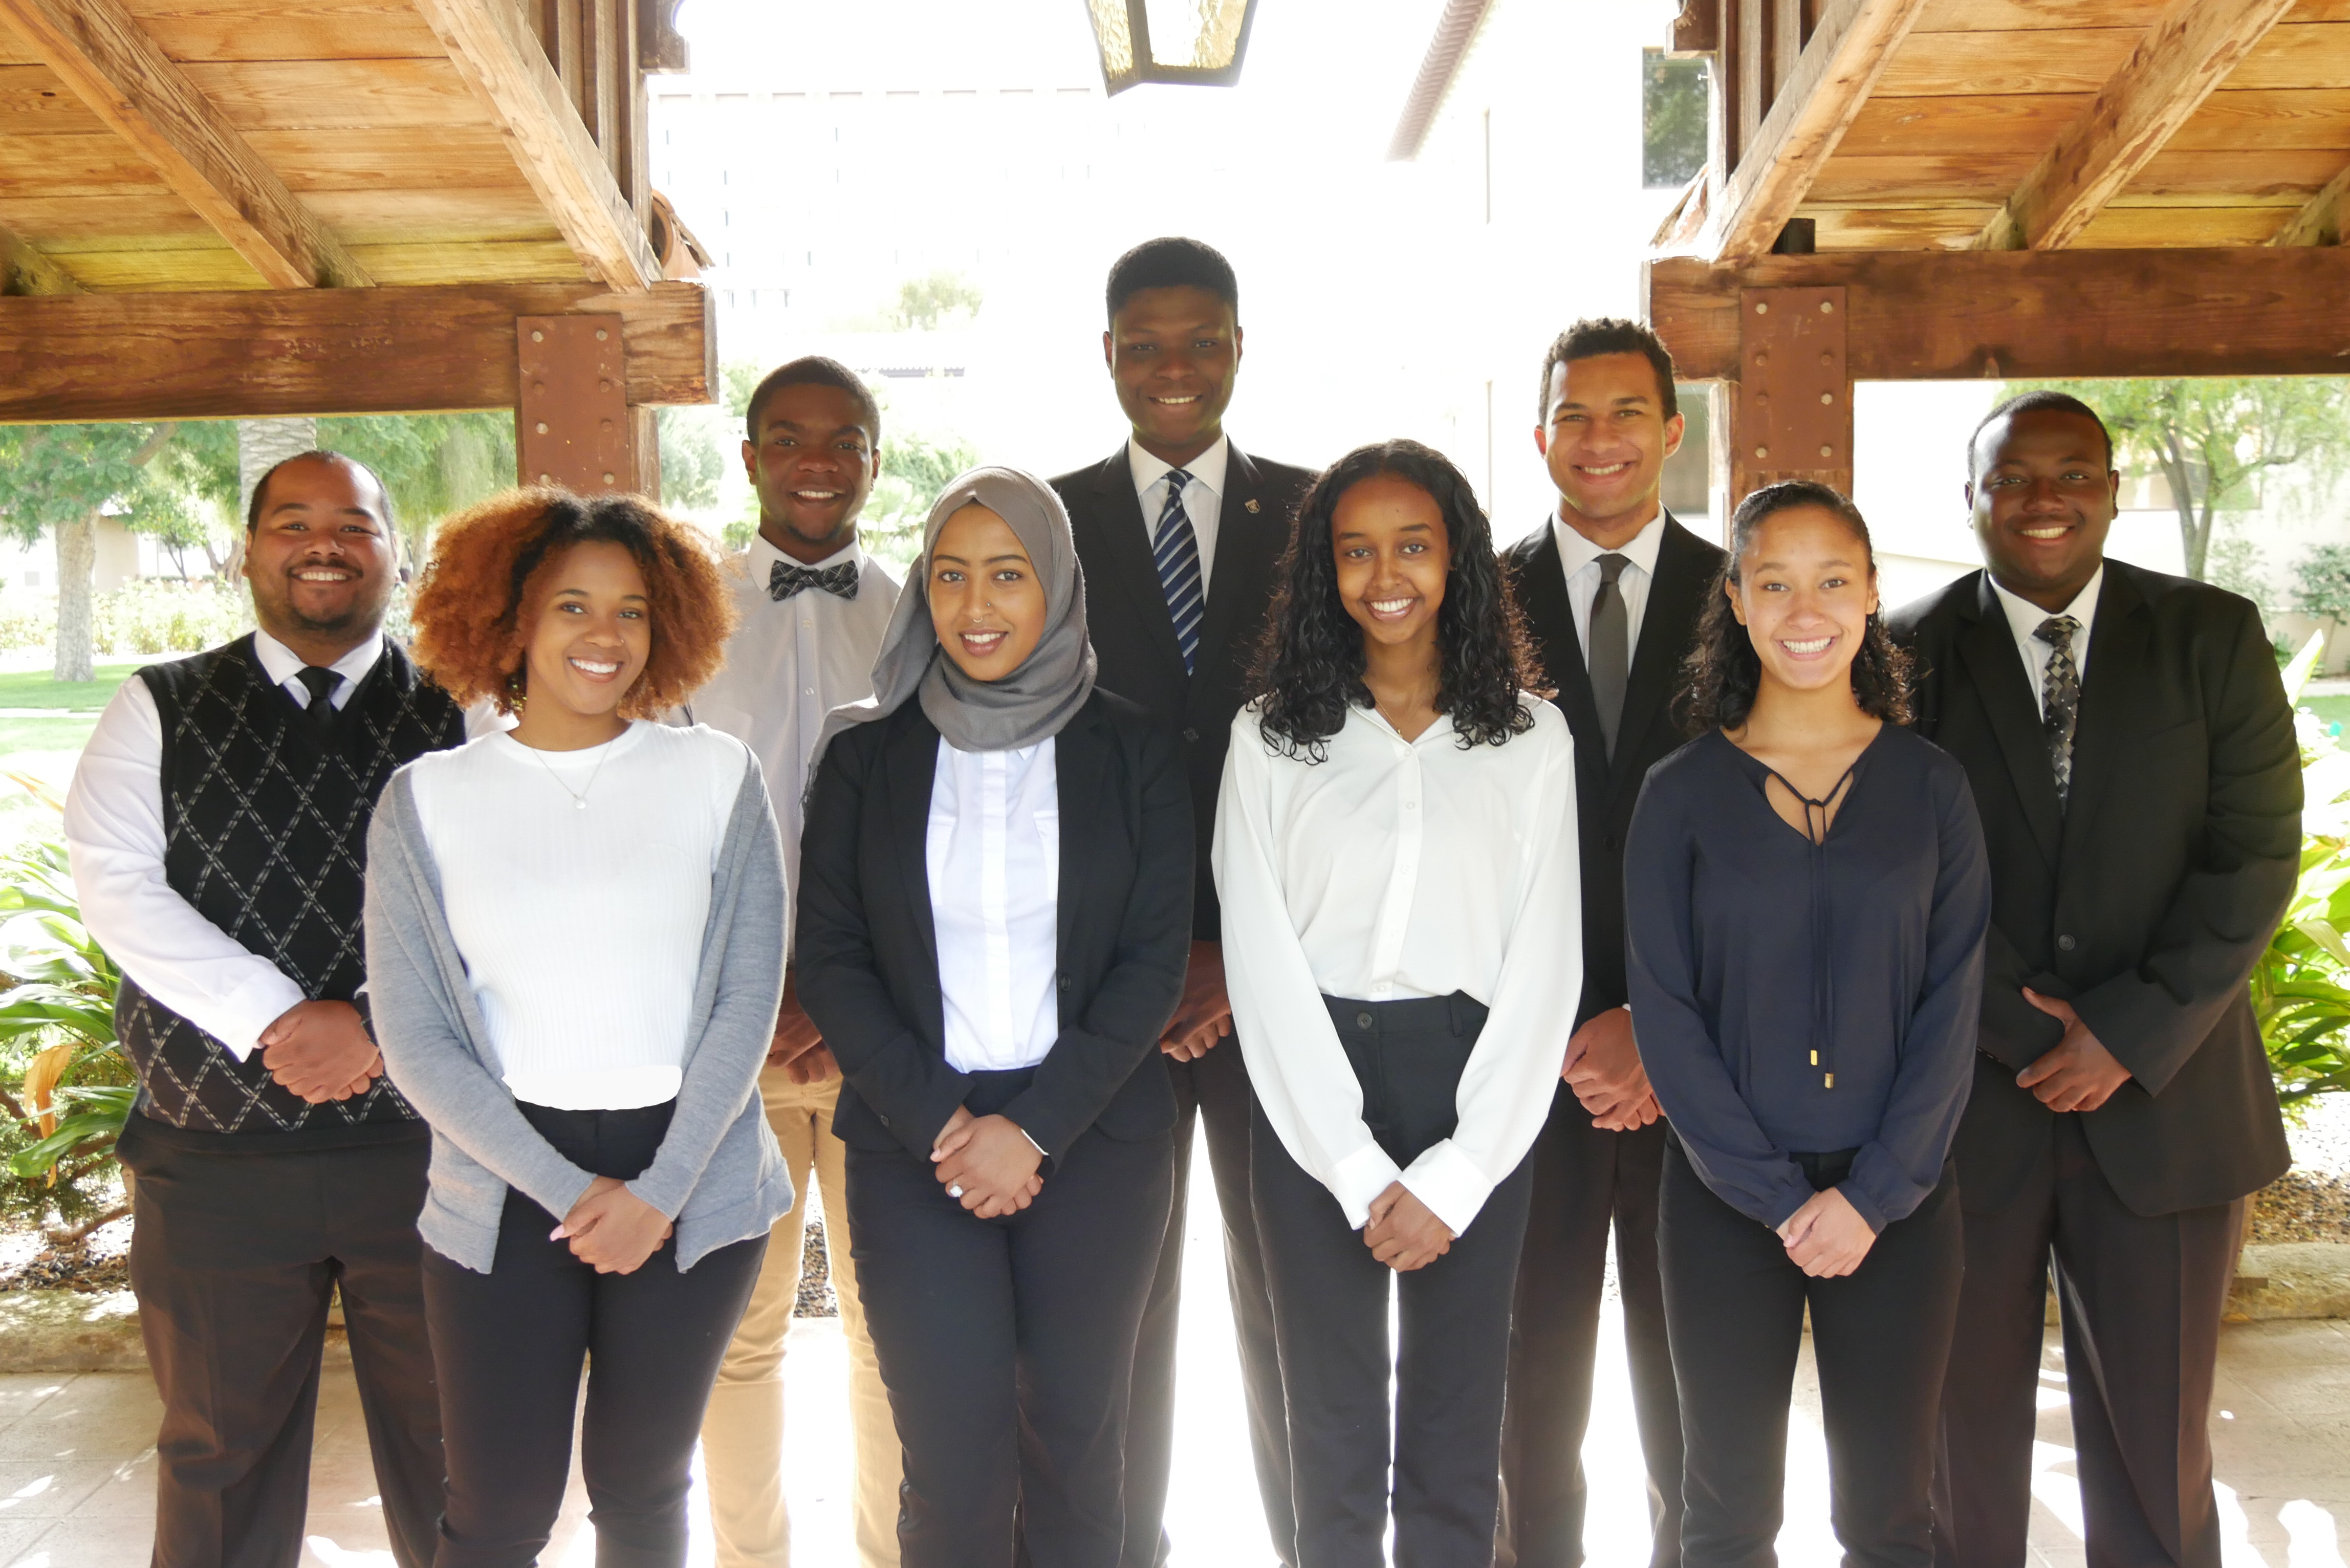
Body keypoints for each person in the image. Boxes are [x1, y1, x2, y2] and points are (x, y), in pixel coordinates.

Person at [1889, 391, 2300, 1568]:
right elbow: (1890, 868)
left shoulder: (2211, 634)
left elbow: (2256, 851)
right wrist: (2027, 1033)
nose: (2044, 499)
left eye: (2072, 473)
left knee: (2157, 1449)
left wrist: (2123, 1031)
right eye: (2012, 476)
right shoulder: (1903, 651)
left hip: (2167, 1099)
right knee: (1956, 1442)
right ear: (1972, 498)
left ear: (2113, 491)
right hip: (1967, 1105)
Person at [365, 488, 792, 1567]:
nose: (605, 634)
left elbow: (747, 999)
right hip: (504, 1182)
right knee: (496, 1512)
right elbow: (416, 1038)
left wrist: (659, 1194)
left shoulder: (717, 774)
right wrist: (572, 1194)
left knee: (645, 1491)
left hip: (690, 1172)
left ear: (668, 624)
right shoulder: (427, 799)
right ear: (508, 618)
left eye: (632, 609)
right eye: (571, 605)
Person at [65, 450, 469, 1568]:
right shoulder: (157, 705)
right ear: (248, 552)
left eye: (354, 523)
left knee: (461, 1453)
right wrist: (276, 1019)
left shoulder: (469, 709)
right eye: (293, 522)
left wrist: (375, 1022)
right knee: (218, 1457)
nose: (323, 543)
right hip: (217, 1164)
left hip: (430, 1151)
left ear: (395, 552)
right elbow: (117, 886)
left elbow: (504, 890)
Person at [796, 467, 1191, 1568]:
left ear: (1056, 584)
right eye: (950, 575)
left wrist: (1034, 1128)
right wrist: (949, 1124)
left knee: (1080, 1454)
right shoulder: (864, 756)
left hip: (1096, 1142)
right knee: (952, 1467)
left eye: (1008, 574)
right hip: (915, 1144)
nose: (976, 606)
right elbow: (831, 959)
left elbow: (1152, 962)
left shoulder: (1136, 751)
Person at [1215, 439, 1580, 1568]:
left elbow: (1546, 962)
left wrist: (1463, 1170)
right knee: (1327, 1425)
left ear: (1456, 556)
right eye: (1356, 550)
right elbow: (1260, 960)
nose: (1386, 575)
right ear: (1323, 569)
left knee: (1458, 1424)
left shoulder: (1530, 737)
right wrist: (1352, 1162)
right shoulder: (1271, 735)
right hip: (1311, 1084)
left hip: (1475, 1081)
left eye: (1413, 545)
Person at [1625, 481, 1991, 1568]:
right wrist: (1778, 1198)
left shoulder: (1932, 787)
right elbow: (1665, 1010)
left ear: (1872, 593)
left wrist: (1874, 1194)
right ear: (1735, 600)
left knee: (1890, 1520)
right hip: (1725, 1200)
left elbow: (1952, 1001)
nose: (1805, 610)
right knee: (1725, 1519)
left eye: (1832, 580)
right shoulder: (1679, 793)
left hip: (1899, 1204)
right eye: (1774, 583)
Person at [1049, 235, 1317, 1568]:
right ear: (1107, 355)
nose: (1174, 367)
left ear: (1238, 348)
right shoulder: (1042, 526)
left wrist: (1234, 951)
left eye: (1201, 340)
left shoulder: (1319, 516)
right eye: (1145, 344)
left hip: (1284, 995)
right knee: (1112, 1319)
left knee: (1297, 1312)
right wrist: (1159, 960)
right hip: (1110, 998)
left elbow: (1350, 769)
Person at [1497, 317, 1717, 1568]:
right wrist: (1566, 1023)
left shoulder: (1746, 596)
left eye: (1626, 411)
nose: (1600, 438)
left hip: (1701, 1063)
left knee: (1698, 1390)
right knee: (1525, 1393)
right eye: (1573, 415)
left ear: (1670, 430)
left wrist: (1655, 1023)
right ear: (1540, 435)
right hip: (1523, 1066)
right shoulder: (1475, 598)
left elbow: (1767, 844)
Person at [684, 356, 904, 1568]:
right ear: (751, 456)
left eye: (844, 439)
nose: (817, 462)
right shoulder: (688, 615)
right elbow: (667, 827)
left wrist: (846, 992)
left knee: (890, 1332)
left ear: (874, 457)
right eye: (788, 437)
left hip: (884, 1040)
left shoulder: (924, 612)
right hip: (735, 1034)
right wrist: (758, 990)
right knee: (739, 1331)